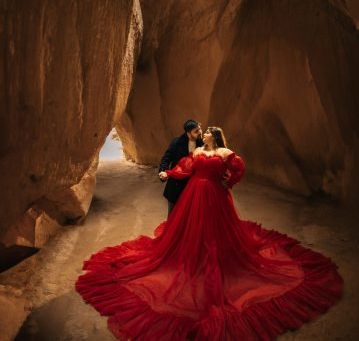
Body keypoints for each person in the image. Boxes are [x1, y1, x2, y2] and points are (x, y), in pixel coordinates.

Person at [76, 126, 343, 340]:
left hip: (215, 195)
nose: (202, 134)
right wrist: (167, 173)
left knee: (216, 232)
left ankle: (215, 260)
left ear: (213, 137)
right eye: (202, 133)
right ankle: (195, 256)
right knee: (191, 230)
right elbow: (185, 169)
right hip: (196, 193)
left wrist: (229, 182)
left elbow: (238, 169)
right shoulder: (198, 153)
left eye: (206, 133)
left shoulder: (226, 153)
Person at [158, 119, 204, 216]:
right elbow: (166, 158)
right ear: (188, 133)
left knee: (191, 215)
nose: (200, 132)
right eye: (196, 131)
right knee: (173, 214)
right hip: (176, 184)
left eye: (200, 129)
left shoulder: (203, 144)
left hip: (193, 185)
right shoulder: (177, 142)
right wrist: (163, 171)